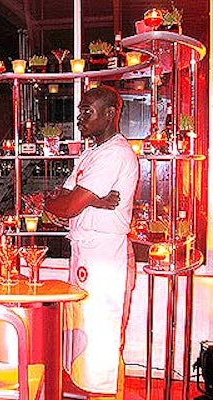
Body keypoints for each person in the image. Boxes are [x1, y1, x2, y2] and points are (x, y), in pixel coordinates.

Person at [44, 85, 139, 399]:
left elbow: (65, 206)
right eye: (80, 110)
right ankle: (86, 391)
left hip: (105, 256)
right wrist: (86, 201)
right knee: (82, 328)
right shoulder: (92, 151)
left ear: (111, 114)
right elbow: (61, 197)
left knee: (102, 334)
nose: (79, 116)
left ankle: (104, 395)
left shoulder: (115, 153)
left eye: (88, 110)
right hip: (85, 252)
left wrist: (72, 203)